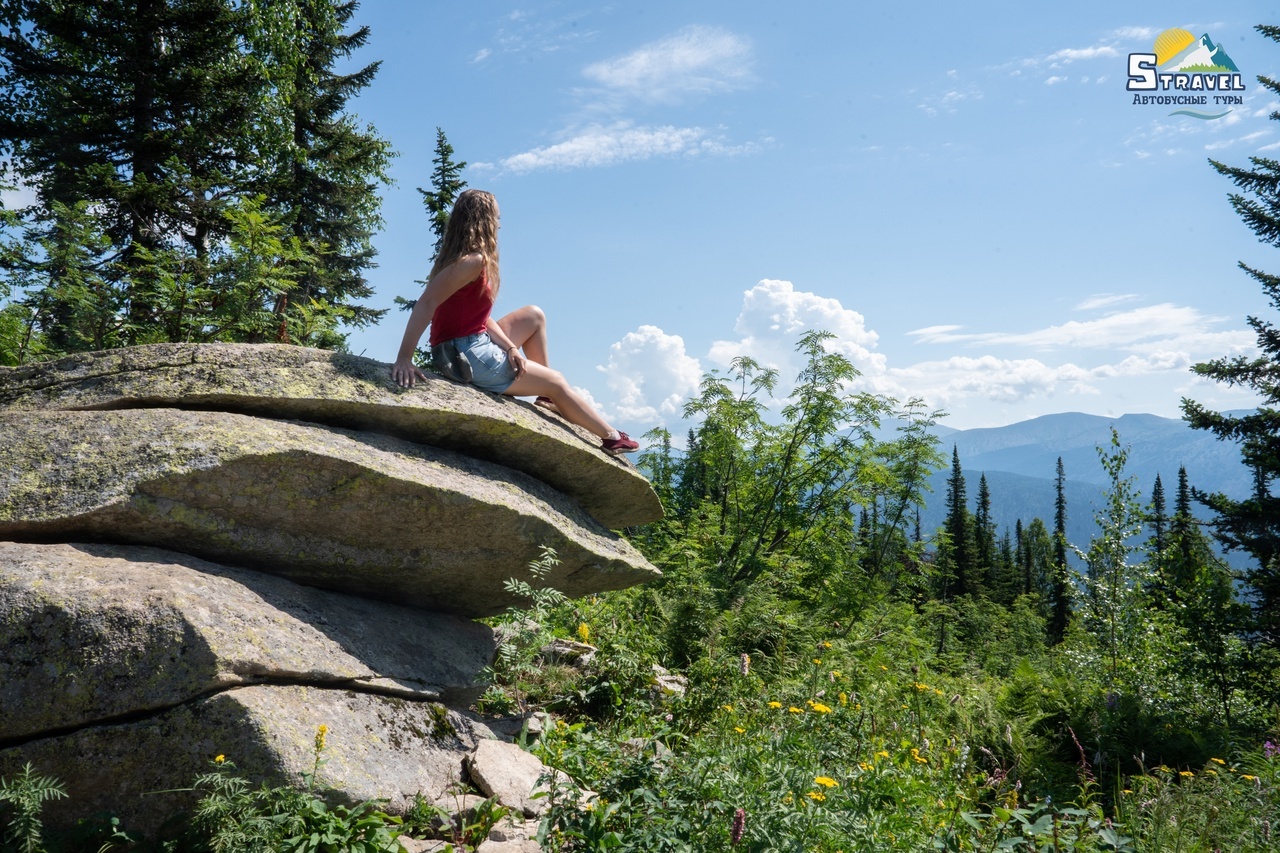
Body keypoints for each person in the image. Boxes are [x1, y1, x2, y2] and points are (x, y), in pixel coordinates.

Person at [391, 189, 639, 455]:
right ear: (484, 220)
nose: (499, 223)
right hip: (462, 354)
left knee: (534, 315)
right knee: (557, 381)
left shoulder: (470, 260)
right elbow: (426, 303)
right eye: (497, 216)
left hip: (472, 340)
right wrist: (405, 357)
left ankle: (545, 396)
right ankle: (611, 437)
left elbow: (479, 317)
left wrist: (510, 348)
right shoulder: (472, 261)